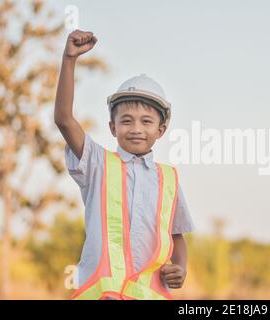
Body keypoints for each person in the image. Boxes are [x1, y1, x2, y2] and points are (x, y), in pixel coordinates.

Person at [54, 29, 194, 300]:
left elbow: (177, 235)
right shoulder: (97, 163)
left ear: (161, 129)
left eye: (146, 121)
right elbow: (64, 119)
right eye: (126, 120)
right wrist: (69, 59)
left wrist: (181, 267)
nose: (136, 128)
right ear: (112, 127)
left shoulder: (168, 179)